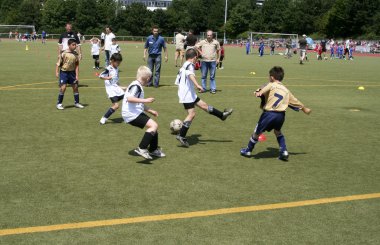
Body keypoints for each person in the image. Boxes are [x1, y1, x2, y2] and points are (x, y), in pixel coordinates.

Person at [240, 66, 311, 160]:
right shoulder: (286, 90)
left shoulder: (271, 84)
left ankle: (248, 150)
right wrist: (304, 109)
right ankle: (284, 151)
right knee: (277, 132)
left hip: (269, 114)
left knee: (256, 132)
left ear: (272, 77)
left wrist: (259, 92)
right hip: (281, 116)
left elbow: (263, 90)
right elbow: (295, 101)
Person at [174, 49, 233, 147]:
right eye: (196, 58)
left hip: (188, 92)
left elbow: (179, 79)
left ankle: (222, 115)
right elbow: (190, 75)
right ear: (193, 58)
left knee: (204, 105)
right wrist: (197, 85)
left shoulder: (184, 64)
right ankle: (181, 135)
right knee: (191, 114)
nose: (196, 60)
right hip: (187, 94)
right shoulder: (190, 65)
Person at [122, 66, 165, 160]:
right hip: (131, 114)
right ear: (148, 78)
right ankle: (142, 148)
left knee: (153, 128)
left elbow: (137, 103)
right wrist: (146, 100)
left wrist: (150, 110)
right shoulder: (136, 86)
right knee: (153, 126)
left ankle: (153, 149)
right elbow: (130, 99)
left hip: (133, 112)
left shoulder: (136, 85)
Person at [55, 39, 84, 110]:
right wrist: (56, 72)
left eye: (75, 45)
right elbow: (58, 64)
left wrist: (77, 75)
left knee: (75, 87)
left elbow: (77, 65)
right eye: (73, 45)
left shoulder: (76, 54)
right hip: (64, 72)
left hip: (72, 73)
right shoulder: (63, 53)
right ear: (69, 45)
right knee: (63, 88)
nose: (75, 46)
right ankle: (59, 104)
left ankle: (77, 103)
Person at [99, 53, 125, 125]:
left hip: (116, 88)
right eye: (117, 62)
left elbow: (116, 81)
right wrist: (108, 78)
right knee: (116, 105)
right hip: (111, 90)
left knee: (127, 96)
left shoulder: (116, 68)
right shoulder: (109, 68)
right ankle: (103, 118)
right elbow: (100, 76)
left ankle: (129, 115)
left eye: (119, 63)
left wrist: (122, 87)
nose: (118, 64)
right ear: (112, 61)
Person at [195, 30, 221, 94]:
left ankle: (213, 89)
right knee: (204, 76)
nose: (209, 36)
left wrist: (218, 59)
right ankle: (203, 88)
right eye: (208, 35)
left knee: (212, 76)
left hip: (213, 61)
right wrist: (200, 52)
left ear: (212, 35)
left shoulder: (216, 42)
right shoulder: (203, 42)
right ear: (206, 35)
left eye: (210, 35)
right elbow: (196, 46)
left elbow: (219, 50)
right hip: (204, 61)